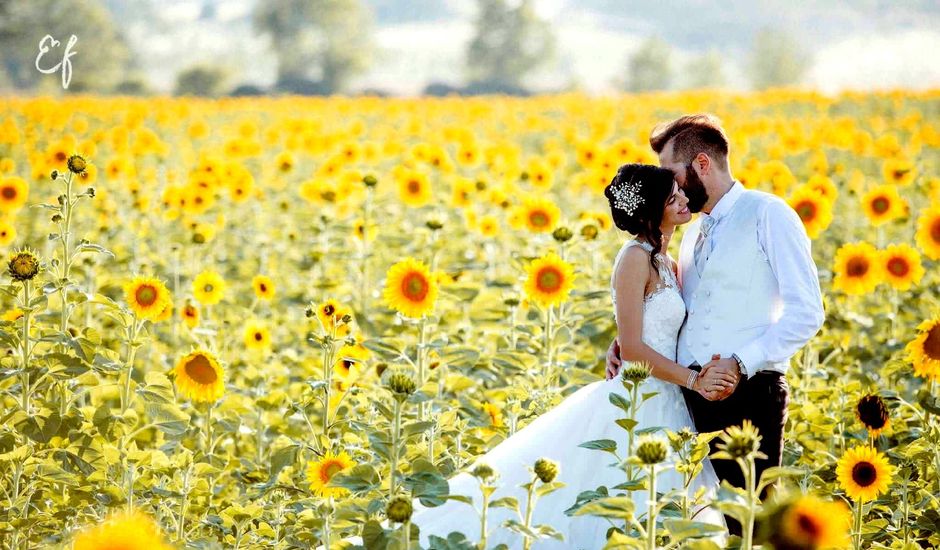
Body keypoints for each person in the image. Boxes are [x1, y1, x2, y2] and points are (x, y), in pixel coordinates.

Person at [409, 163, 730, 548]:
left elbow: (652, 330)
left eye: (679, 192)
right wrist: (693, 380)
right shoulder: (634, 259)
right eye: (671, 197)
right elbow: (632, 347)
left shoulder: (668, 261)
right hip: (636, 400)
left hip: (669, 400)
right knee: (612, 502)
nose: (682, 199)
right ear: (650, 210)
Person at [649, 114, 825, 536]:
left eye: (672, 173)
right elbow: (688, 313)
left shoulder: (769, 214)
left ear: (703, 164)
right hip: (691, 397)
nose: (668, 187)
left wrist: (739, 362)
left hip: (750, 395)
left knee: (746, 528)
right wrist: (633, 343)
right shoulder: (692, 233)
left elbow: (807, 312)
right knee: (696, 528)